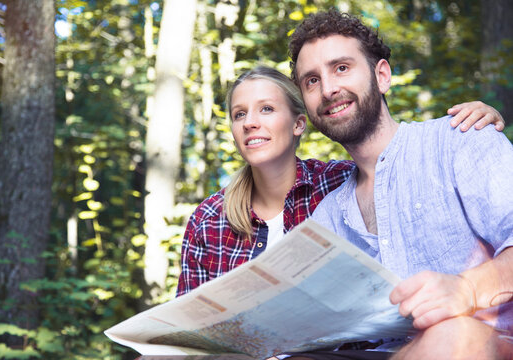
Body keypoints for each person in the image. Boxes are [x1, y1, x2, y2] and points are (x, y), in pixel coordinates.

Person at [286, 9, 513, 359]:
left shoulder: (462, 139)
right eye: (311, 81)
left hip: (485, 342)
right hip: (385, 353)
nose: (329, 89)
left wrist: (468, 289)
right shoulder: (328, 217)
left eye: (342, 68)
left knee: (454, 335)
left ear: (382, 76)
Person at [176, 66, 505, 299]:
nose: (250, 123)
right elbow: (186, 325)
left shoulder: (337, 184)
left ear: (298, 125)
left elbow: (398, 161)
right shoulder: (208, 219)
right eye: (239, 114)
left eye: (265, 109)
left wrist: (478, 118)